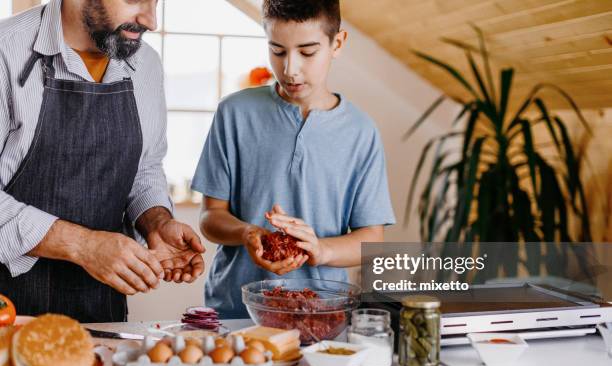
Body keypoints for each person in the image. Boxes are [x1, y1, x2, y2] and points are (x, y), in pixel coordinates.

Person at [0, 0, 205, 323]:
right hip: (7, 307)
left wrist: (156, 221)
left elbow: (145, 168)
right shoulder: (5, 52)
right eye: (135, 0)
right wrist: (83, 246)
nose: (151, 21)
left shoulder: (146, 63)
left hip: (100, 310)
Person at [192, 0, 395, 319]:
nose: (290, 68)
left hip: (322, 316)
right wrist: (248, 233)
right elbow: (210, 217)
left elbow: (371, 239)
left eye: (307, 52)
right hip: (235, 313)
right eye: (277, 50)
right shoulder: (234, 113)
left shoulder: (361, 131)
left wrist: (320, 249)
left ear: (336, 43)